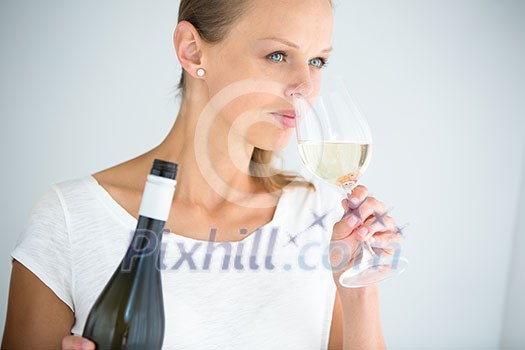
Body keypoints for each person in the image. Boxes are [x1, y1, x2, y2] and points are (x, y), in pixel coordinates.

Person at [2, 0, 403, 349]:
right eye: (279, 55)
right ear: (193, 51)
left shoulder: (325, 217)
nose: (306, 87)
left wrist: (360, 292)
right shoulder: (71, 218)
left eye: (318, 61)